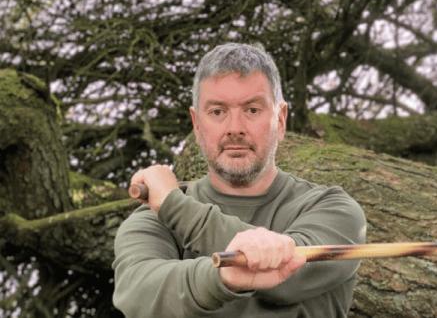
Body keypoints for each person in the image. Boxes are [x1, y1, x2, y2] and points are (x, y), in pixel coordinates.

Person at [112, 43, 367, 317]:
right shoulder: (151, 219)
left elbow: (289, 278)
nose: (235, 129)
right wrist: (222, 277)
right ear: (197, 125)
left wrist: (173, 205)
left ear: (280, 120)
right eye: (218, 112)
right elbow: (137, 296)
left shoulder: (334, 210)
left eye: (252, 110)